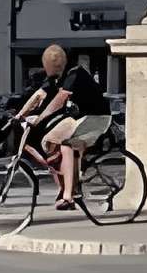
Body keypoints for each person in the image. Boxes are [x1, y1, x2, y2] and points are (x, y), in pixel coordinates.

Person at [16, 45, 110, 212]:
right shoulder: (55, 77)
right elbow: (40, 94)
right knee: (48, 141)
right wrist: (20, 115)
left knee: (66, 143)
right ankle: (64, 185)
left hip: (96, 117)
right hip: (77, 118)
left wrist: (40, 118)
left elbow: (60, 98)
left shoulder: (75, 73)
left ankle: (69, 194)